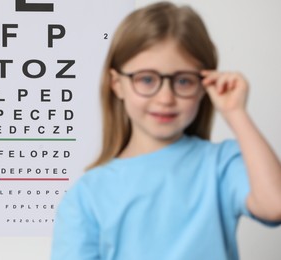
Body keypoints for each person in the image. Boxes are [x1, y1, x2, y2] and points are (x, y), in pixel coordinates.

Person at [51, 2, 281, 259]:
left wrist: (235, 112)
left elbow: (275, 206)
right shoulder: (87, 195)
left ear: (204, 85)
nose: (165, 98)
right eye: (147, 79)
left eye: (183, 80)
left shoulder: (221, 164)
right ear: (117, 84)